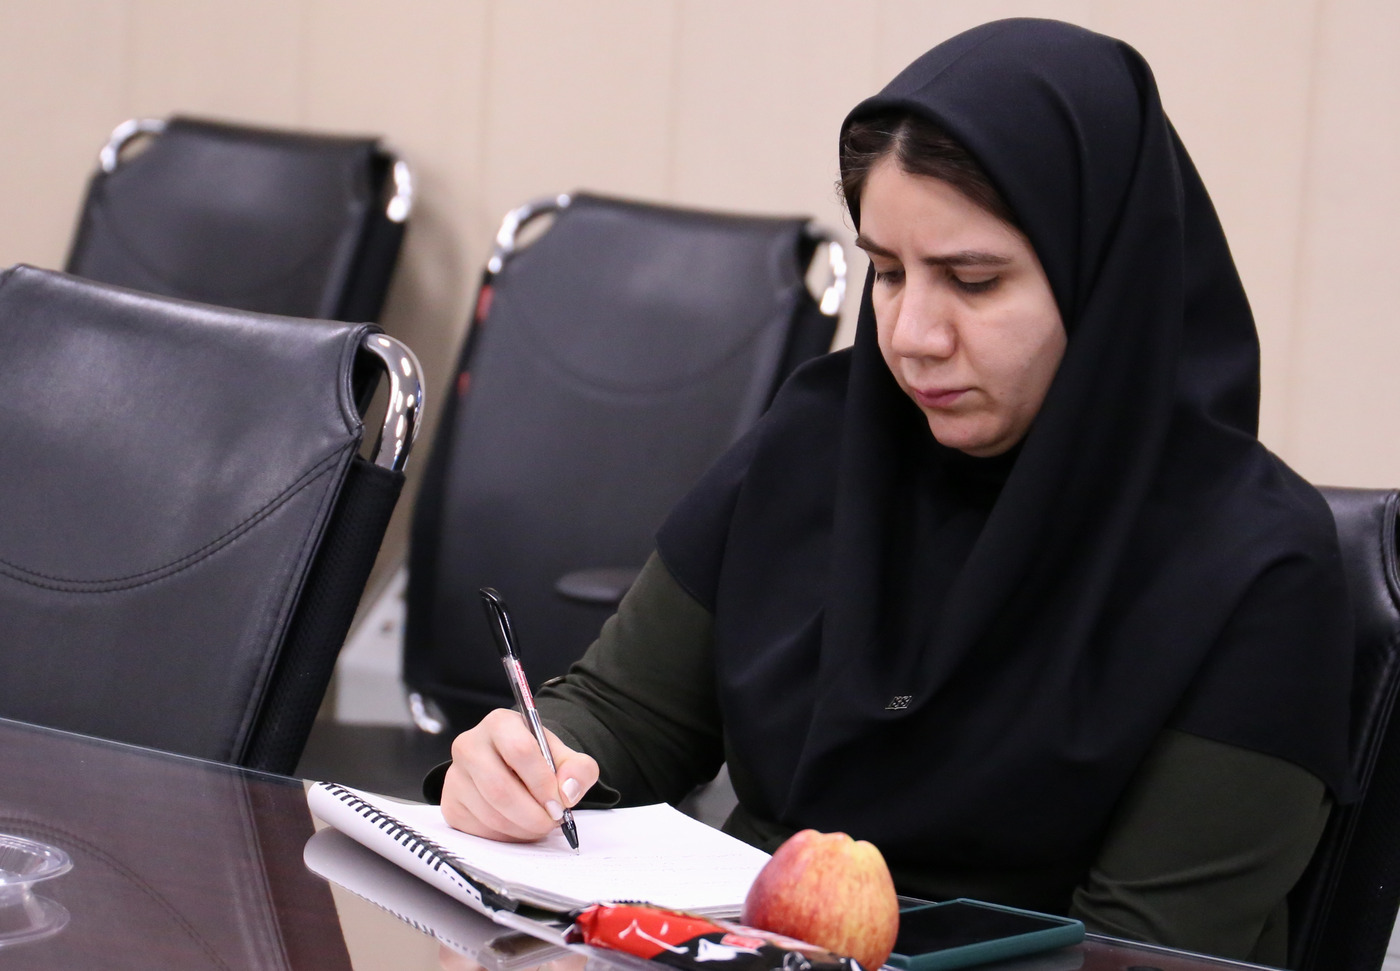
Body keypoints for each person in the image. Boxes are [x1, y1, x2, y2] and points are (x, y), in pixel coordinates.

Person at [428, 18, 1354, 966]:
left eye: (974, 281)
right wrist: (529, 765)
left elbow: (1143, 952)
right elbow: (627, 714)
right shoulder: (821, 439)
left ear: (1103, 281)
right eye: (887, 271)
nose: (912, 335)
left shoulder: (1256, 566)